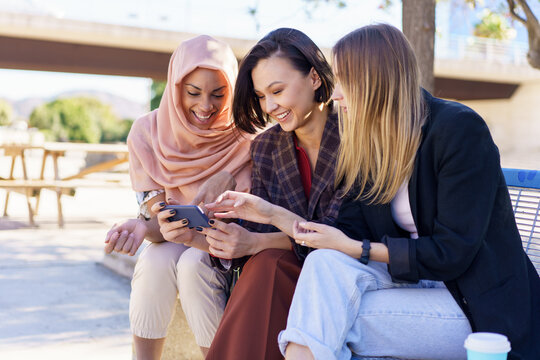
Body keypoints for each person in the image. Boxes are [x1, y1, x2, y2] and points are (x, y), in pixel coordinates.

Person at [208, 24, 540, 360]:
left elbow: (453, 252)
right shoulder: (368, 141)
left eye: (344, 82)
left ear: (375, 80)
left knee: (327, 324)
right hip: (410, 286)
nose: (335, 95)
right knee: (324, 265)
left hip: (473, 305)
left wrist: (355, 248)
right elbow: (345, 231)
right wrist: (270, 214)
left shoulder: (458, 130)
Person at [103, 35, 253, 360]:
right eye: (193, 93)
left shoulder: (246, 138)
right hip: (172, 240)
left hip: (223, 246)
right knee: (154, 259)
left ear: (234, 90)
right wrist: (143, 228)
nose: (205, 106)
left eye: (218, 93)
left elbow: (247, 221)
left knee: (192, 264)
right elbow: (160, 219)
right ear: (175, 88)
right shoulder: (147, 133)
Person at [201, 28, 343, 360]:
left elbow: (344, 229)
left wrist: (258, 242)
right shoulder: (266, 146)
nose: (270, 106)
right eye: (262, 96)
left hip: (342, 264)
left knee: (267, 264)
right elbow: (264, 232)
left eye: (277, 90)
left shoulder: (356, 136)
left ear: (314, 78)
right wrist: (229, 234)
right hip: (289, 265)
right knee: (265, 265)